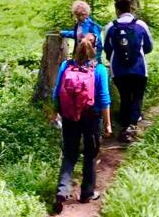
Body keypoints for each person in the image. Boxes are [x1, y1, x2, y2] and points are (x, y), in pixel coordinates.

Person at [52, 34, 112, 213]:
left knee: (69, 154)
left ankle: (62, 192)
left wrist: (56, 112)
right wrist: (108, 123)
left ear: (77, 47)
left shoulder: (66, 65)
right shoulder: (99, 69)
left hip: (69, 115)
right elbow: (103, 98)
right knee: (90, 153)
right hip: (91, 116)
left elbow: (57, 92)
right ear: (94, 50)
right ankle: (87, 193)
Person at [104, 0, 153, 142]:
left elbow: (108, 49)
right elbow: (149, 47)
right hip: (139, 68)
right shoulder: (141, 25)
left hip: (118, 70)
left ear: (117, 10)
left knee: (125, 96)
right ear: (131, 8)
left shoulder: (110, 27)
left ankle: (124, 127)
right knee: (137, 96)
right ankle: (132, 125)